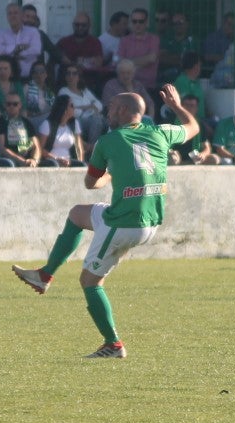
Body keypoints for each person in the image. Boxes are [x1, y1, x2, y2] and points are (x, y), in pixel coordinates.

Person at [12, 84, 198, 359]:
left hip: (124, 224)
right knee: (78, 214)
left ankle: (113, 344)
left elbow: (91, 183)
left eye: (111, 108)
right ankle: (45, 274)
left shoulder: (107, 142)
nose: (107, 112)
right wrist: (175, 105)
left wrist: (110, 174)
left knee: (89, 282)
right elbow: (192, 126)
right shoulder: (160, 133)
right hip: (148, 220)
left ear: (123, 111)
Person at [57, 12, 106, 92]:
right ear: (73, 25)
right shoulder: (63, 42)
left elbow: (98, 63)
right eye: (77, 25)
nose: (80, 27)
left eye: (83, 25)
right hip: (65, 84)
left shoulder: (95, 42)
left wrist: (74, 62)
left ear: (89, 26)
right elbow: (53, 59)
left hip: (88, 84)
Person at [57, 64, 104, 147]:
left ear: (79, 76)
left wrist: (82, 108)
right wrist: (90, 106)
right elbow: (74, 112)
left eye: (74, 73)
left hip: (92, 118)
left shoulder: (84, 91)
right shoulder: (63, 91)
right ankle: (92, 149)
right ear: (65, 76)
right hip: (76, 122)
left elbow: (99, 105)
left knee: (110, 122)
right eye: (68, 73)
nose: (71, 76)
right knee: (96, 120)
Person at [117, 8, 160, 93]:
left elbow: (152, 58)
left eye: (141, 21)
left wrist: (128, 63)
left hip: (147, 87)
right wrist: (143, 60)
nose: (137, 24)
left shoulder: (154, 39)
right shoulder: (124, 40)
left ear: (146, 23)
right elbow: (120, 63)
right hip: (127, 86)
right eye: (134, 21)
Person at [0, 3, 40, 80]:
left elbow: (36, 50)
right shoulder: (1, 33)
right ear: (7, 17)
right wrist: (17, 48)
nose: (13, 16)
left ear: (22, 15)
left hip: (29, 78)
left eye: (15, 13)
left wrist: (11, 52)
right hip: (9, 79)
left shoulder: (33, 32)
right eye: (10, 13)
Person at [0, 92, 40, 167]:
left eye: (15, 104)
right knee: (11, 164)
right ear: (4, 105)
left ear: (20, 105)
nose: (12, 106)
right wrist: (22, 161)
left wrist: (34, 160)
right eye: (8, 104)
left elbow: (36, 146)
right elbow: (2, 148)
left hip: (28, 158)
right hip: (9, 158)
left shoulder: (26, 122)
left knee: (50, 164)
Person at [38, 94, 85, 167]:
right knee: (55, 165)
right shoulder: (47, 124)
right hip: (51, 161)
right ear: (64, 109)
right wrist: (57, 159)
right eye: (71, 105)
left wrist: (80, 162)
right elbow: (40, 149)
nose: (74, 108)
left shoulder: (74, 124)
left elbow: (79, 147)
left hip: (69, 161)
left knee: (82, 165)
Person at [22, 59, 55, 126]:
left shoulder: (49, 90)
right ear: (32, 74)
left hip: (47, 120)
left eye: (42, 72)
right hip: (33, 120)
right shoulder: (26, 88)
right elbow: (21, 109)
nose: (39, 74)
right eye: (36, 72)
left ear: (46, 74)